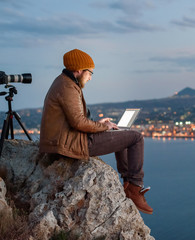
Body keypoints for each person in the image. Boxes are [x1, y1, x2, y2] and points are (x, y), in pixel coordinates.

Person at [39, 49, 153, 214]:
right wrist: (103, 127)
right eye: (90, 72)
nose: (91, 77)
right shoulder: (68, 87)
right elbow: (78, 122)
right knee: (136, 137)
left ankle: (128, 183)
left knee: (120, 134)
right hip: (71, 145)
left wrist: (97, 125)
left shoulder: (63, 82)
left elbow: (75, 120)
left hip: (66, 141)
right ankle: (134, 188)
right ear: (79, 70)